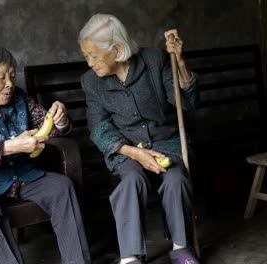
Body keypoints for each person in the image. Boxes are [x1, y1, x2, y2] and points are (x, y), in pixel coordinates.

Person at [0, 45, 91, 264]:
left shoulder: (19, 97)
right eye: (1, 78)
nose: (10, 84)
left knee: (62, 187)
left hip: (22, 175)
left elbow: (48, 125)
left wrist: (61, 120)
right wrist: (12, 146)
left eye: (12, 76)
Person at [78, 14, 199, 264]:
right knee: (131, 179)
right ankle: (130, 257)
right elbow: (99, 127)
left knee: (176, 178)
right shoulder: (91, 82)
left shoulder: (154, 61)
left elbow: (187, 104)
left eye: (93, 55)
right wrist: (134, 153)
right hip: (126, 149)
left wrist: (180, 61)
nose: (89, 62)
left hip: (167, 142)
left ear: (117, 49)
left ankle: (181, 249)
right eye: (86, 56)